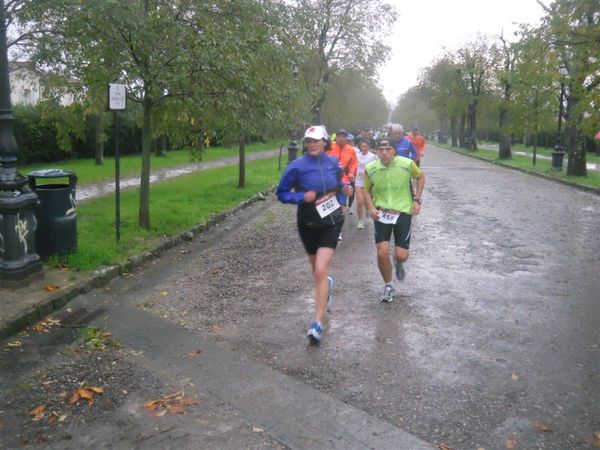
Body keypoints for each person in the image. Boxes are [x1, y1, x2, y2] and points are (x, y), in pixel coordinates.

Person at [277, 125, 353, 344]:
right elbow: (281, 193)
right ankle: (326, 284)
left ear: (325, 142)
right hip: (308, 222)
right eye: (308, 141)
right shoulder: (296, 167)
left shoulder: (331, 162)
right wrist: (301, 197)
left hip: (332, 221)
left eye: (315, 140)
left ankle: (317, 323)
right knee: (317, 271)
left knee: (319, 270)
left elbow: (341, 181)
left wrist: (345, 188)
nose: (311, 144)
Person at [363, 137, 425, 302]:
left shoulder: (407, 164)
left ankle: (398, 262)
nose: (384, 153)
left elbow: (421, 177)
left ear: (394, 150)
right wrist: (371, 208)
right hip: (382, 213)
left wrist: (417, 200)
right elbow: (366, 190)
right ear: (376, 150)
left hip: (403, 211)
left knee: (401, 255)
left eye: (388, 149)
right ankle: (388, 285)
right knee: (382, 252)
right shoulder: (370, 168)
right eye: (380, 149)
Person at [326, 129, 358, 239]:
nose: (341, 138)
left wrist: (351, 173)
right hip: (330, 179)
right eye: (339, 136)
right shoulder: (330, 148)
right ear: (336, 137)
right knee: (329, 203)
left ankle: (338, 229)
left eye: (344, 136)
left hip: (344, 180)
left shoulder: (351, 150)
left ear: (346, 138)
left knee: (342, 204)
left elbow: (354, 163)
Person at [355, 139, 377, 229]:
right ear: (360, 147)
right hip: (358, 180)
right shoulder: (356, 155)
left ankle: (368, 208)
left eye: (365, 147)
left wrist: (367, 173)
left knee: (367, 201)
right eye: (362, 146)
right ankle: (360, 221)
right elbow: (353, 165)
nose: (363, 148)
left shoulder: (373, 156)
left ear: (369, 147)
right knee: (360, 201)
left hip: (368, 181)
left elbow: (375, 168)